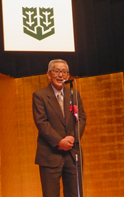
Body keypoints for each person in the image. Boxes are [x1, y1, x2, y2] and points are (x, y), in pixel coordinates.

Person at [32, 59, 86, 197]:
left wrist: (72, 137)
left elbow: (81, 118)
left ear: (68, 76)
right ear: (49, 74)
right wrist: (59, 141)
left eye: (64, 72)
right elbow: (41, 122)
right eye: (56, 71)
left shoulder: (74, 94)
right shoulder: (40, 95)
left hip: (72, 154)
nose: (60, 75)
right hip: (50, 155)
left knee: (74, 194)